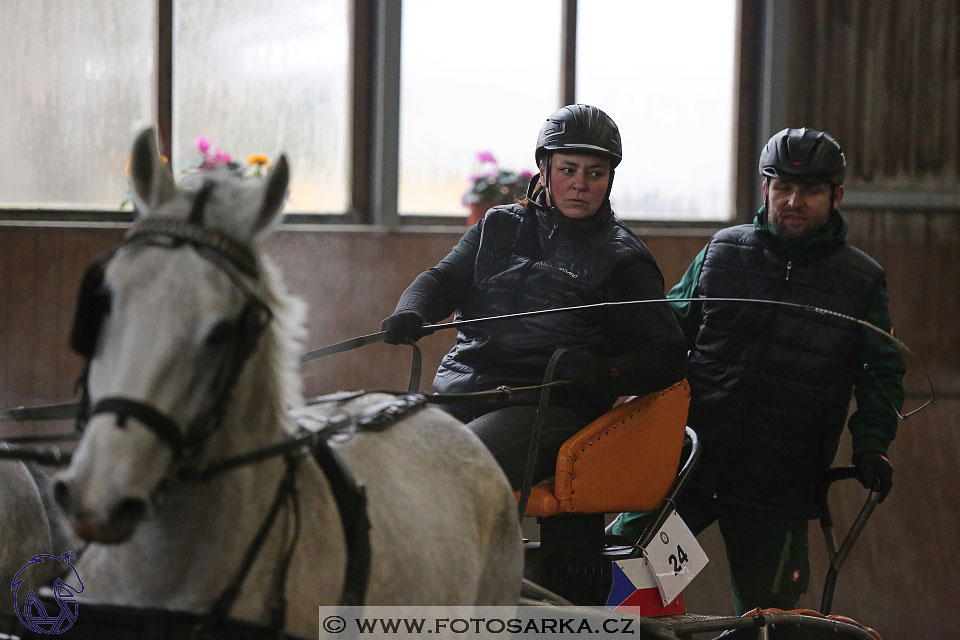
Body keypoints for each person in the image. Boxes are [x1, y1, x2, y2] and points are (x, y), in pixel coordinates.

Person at [612, 127, 906, 613]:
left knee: (766, 617)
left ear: (836, 196)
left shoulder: (861, 280)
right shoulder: (724, 252)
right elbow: (666, 335)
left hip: (777, 489)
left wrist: (873, 444)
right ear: (765, 188)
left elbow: (880, 373)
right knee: (635, 586)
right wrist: (618, 383)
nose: (794, 200)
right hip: (690, 469)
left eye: (810, 190)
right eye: (782, 187)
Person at [380, 104, 687, 489]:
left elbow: (669, 357)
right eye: (568, 170)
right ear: (544, 170)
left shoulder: (625, 259)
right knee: (387, 457)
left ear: (609, 180)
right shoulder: (497, 226)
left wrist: (603, 372)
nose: (580, 184)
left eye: (595, 173)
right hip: (462, 392)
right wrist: (412, 310)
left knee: (455, 466)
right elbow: (442, 280)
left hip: (548, 408)